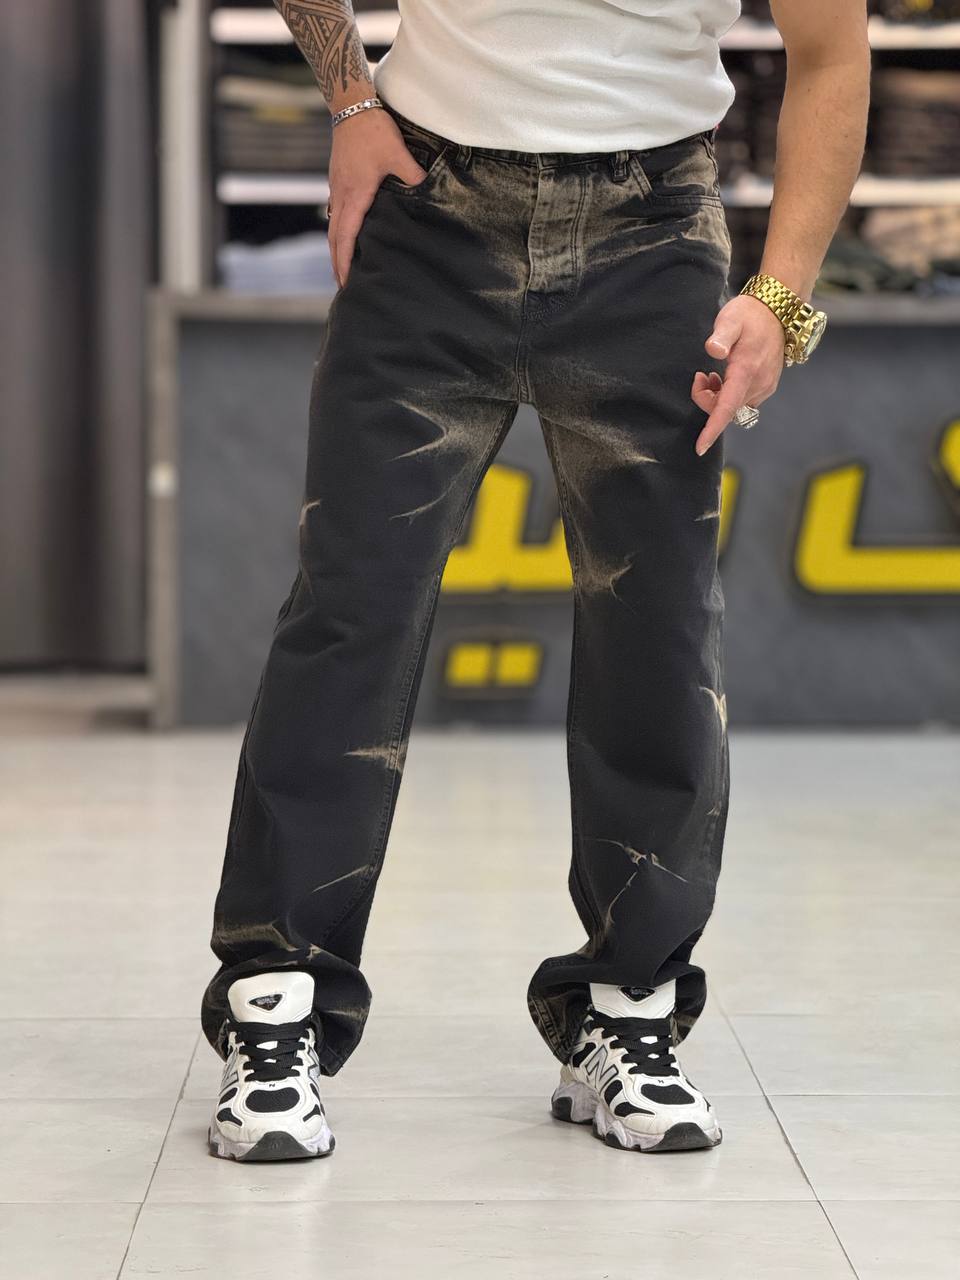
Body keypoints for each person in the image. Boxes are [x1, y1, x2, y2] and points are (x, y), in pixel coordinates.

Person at [203, 0, 869, 1161]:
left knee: (656, 625)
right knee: (352, 607)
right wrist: (349, 100)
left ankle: (628, 1001)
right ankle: (279, 996)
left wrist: (782, 296)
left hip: (651, 229)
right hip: (430, 207)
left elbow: (831, 53)